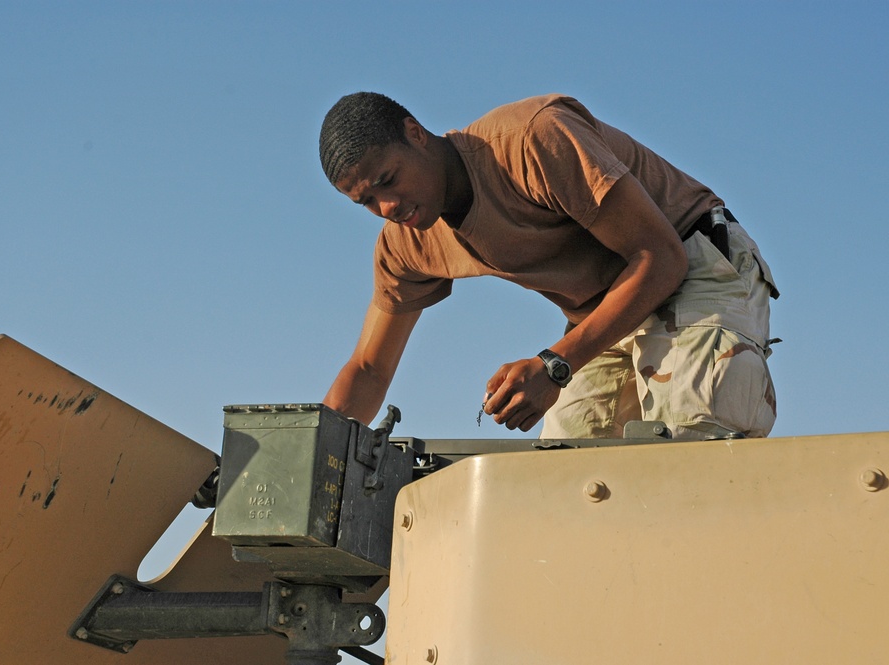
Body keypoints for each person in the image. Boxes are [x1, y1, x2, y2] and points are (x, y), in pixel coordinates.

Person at [318, 92, 779, 439]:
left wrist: (555, 366)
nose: (388, 205)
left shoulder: (530, 140)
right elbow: (368, 370)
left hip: (692, 262)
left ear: (415, 133)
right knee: (559, 477)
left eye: (388, 180)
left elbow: (660, 258)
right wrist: (308, 460)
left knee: (690, 448)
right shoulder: (405, 244)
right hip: (608, 313)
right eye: (366, 201)